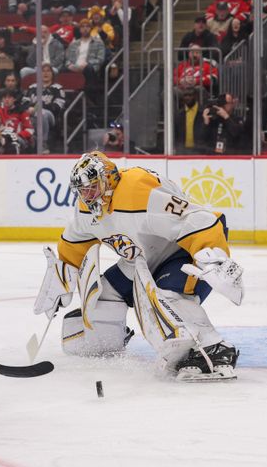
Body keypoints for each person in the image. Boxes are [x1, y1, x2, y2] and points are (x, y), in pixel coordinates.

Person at [33, 152, 243, 381]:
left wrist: (212, 254)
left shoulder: (136, 190)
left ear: (108, 180)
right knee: (104, 295)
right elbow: (74, 242)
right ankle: (106, 342)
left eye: (92, 187)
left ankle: (214, 350)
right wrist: (63, 273)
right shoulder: (86, 209)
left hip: (181, 252)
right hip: (141, 259)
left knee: (166, 297)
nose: (87, 195)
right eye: (82, 190)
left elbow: (198, 220)